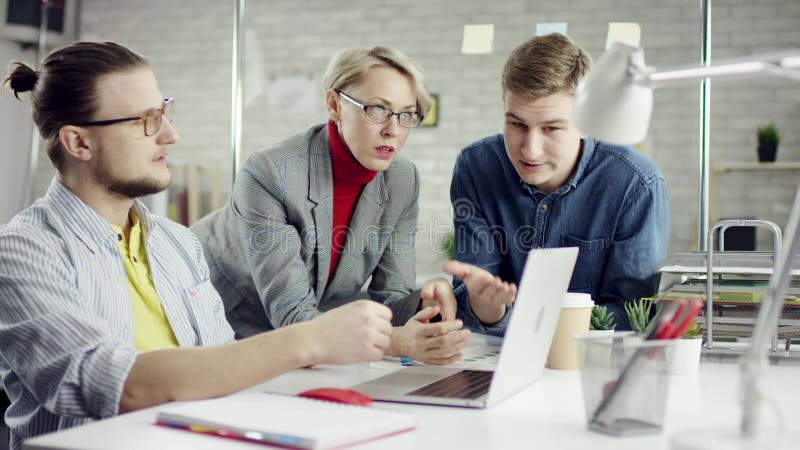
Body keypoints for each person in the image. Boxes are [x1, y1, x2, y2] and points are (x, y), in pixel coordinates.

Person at [0, 41, 395, 449]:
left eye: (164, 111)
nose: (170, 135)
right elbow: (117, 386)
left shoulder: (177, 244)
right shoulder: (23, 252)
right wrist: (308, 339)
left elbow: (222, 371)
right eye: (145, 121)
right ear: (78, 143)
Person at [193, 46, 470, 365]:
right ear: (334, 105)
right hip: (218, 320)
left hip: (304, 341)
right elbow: (294, 316)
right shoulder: (270, 173)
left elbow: (391, 297)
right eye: (378, 109)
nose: (392, 129)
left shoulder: (402, 180)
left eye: (406, 115)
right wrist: (394, 342)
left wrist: (425, 306)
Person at [449, 33, 669, 335]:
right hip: (495, 361)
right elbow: (468, 300)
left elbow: (632, 313)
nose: (531, 149)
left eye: (551, 128)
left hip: (589, 363)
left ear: (586, 122)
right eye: (517, 125)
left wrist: (533, 320)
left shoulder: (636, 183)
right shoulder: (476, 167)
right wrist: (488, 307)